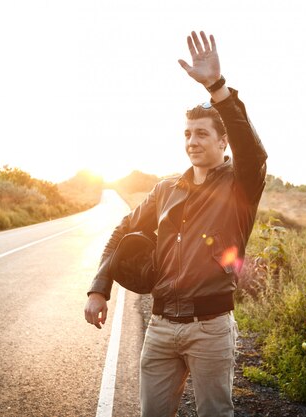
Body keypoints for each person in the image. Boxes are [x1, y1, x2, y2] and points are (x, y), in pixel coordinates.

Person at [84, 30, 268, 417]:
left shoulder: (241, 186)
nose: (192, 141)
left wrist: (217, 87)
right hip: (161, 326)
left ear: (223, 143)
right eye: (187, 133)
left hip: (210, 329)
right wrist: (99, 288)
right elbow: (120, 233)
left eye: (202, 133)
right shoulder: (166, 188)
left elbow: (253, 150)